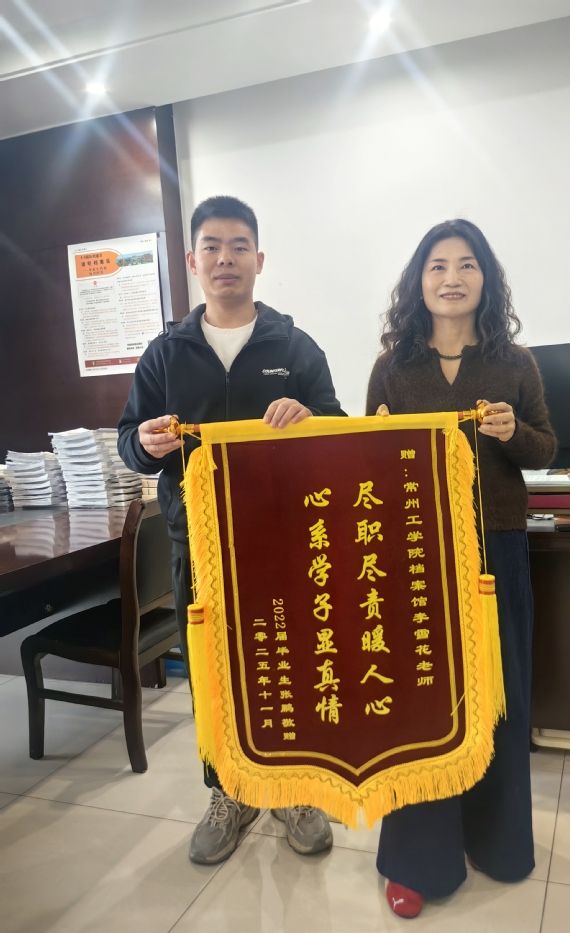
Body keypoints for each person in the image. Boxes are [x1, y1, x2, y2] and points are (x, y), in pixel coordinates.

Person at [118, 195, 345, 865]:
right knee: (213, 672)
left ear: (259, 259)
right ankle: (228, 792)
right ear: (193, 261)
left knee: (295, 662)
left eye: (239, 246)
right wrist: (146, 444)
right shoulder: (165, 355)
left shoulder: (294, 347)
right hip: (201, 545)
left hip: (286, 543)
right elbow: (129, 441)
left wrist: (309, 418)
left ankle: (295, 789)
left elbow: (339, 433)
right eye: (212, 247)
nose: (225, 258)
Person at [365, 219, 556, 918]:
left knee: (500, 697)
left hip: (495, 546)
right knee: (419, 704)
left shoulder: (515, 362)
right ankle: (419, 859)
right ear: (418, 282)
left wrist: (513, 432)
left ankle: (496, 841)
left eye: (467, 264)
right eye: (437, 265)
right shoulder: (392, 366)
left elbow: (544, 447)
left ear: (486, 279)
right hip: (414, 554)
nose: (451, 277)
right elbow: (367, 462)